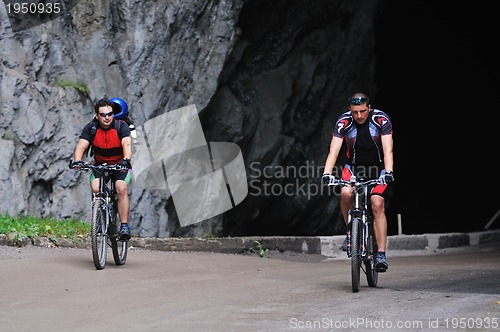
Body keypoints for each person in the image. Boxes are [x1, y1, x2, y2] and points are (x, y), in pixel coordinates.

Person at [322, 92, 394, 272]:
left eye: (362, 111)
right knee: (346, 192)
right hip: (354, 168)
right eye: (355, 112)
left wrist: (389, 172)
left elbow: (388, 149)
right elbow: (334, 149)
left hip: (378, 168)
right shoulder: (344, 121)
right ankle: (351, 232)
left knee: (377, 203)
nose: (359, 116)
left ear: (369, 108)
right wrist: (327, 172)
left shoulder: (381, 119)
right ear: (350, 110)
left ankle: (381, 254)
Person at [71, 98, 133, 241]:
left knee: (121, 188)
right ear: (97, 115)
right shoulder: (91, 128)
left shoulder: (121, 126)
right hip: (100, 164)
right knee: (96, 188)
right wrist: (78, 161)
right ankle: (100, 217)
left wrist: (126, 160)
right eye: (103, 115)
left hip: (120, 164)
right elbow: (81, 146)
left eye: (110, 114)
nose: (107, 118)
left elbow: (127, 145)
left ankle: (124, 226)